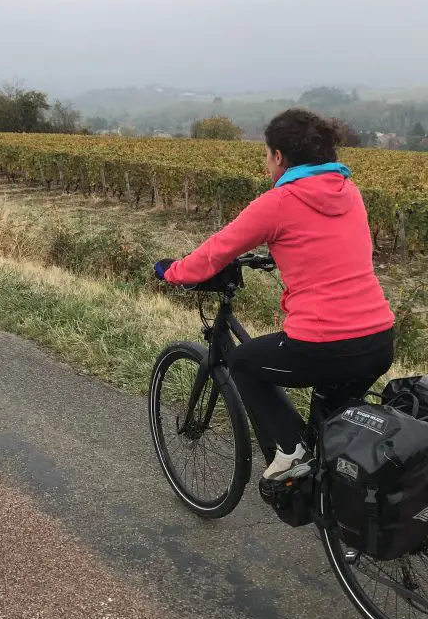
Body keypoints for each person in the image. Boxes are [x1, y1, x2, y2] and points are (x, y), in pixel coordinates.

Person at [155, 108, 395, 497]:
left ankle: (292, 450)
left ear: (279, 156)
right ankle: (337, 505)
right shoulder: (349, 191)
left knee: (242, 363)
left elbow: (217, 251)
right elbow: (333, 249)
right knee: (332, 430)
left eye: (267, 155)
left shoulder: (279, 201)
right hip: (379, 338)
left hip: (323, 342)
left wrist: (172, 271)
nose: (267, 163)